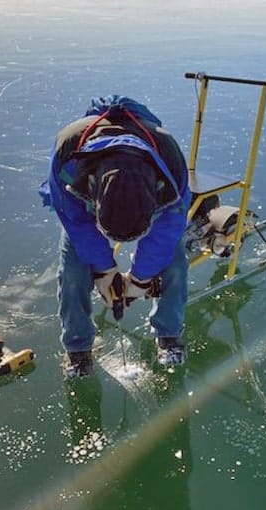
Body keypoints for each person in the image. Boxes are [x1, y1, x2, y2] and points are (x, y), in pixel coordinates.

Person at [40, 96, 191, 377]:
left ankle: (169, 334)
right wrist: (105, 270)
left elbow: (168, 227)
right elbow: (74, 218)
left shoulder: (169, 164)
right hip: (80, 200)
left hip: (155, 194)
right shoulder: (69, 152)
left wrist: (141, 278)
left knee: (175, 264)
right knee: (73, 272)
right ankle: (77, 349)